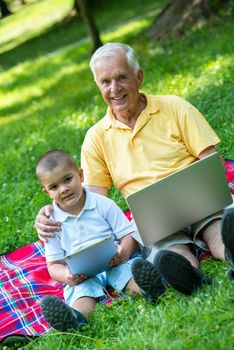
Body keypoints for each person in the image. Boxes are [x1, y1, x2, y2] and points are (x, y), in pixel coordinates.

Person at [35, 43, 234, 299]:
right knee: (168, 253)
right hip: (155, 221)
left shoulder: (175, 107)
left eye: (121, 77)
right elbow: (91, 201)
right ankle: (191, 278)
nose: (114, 89)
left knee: (219, 229)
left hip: (200, 200)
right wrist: (51, 210)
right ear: (98, 86)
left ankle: (229, 252)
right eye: (105, 82)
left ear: (138, 77)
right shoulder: (96, 138)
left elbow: (212, 162)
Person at [36, 149, 154, 332]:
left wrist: (125, 251)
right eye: (54, 187)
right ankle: (75, 319)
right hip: (82, 275)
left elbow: (128, 235)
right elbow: (53, 266)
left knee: (131, 276)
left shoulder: (102, 204)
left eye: (68, 179)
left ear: (80, 175)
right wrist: (67, 276)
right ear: (47, 192)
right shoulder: (51, 223)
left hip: (115, 261)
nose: (64, 189)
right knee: (82, 297)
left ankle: (150, 290)